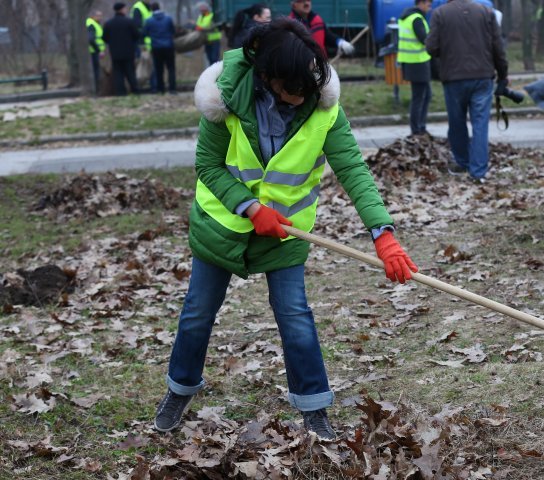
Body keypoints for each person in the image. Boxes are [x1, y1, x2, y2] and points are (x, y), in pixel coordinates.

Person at [152, 18, 418, 440]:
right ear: (267, 78)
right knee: (198, 314)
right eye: (292, 92)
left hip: (288, 233)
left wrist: (382, 233)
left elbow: (352, 169)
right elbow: (208, 165)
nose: (300, 100)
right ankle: (179, 389)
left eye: (307, 90)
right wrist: (251, 207)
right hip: (221, 225)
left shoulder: (322, 104)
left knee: (295, 316)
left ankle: (313, 407)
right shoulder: (222, 100)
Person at [425, 0, 508, 183]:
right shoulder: (486, 12)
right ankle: (478, 172)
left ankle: (462, 162)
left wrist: (447, 52)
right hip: (482, 76)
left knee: (457, 122)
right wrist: (503, 75)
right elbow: (498, 47)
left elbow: (431, 47)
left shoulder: (440, 14)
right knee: (480, 124)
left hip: (453, 77)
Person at [398, 0, 433, 136]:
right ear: (422, 3)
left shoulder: (407, 17)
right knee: (419, 97)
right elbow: (425, 39)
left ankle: (420, 127)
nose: (429, 9)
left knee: (426, 95)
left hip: (412, 62)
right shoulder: (416, 19)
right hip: (417, 63)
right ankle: (417, 129)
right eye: (429, 5)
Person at [289, 0, 355, 58]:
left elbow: (327, 36)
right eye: (302, 1)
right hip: (301, 67)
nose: (306, 3)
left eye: (308, 0)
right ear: (294, 4)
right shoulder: (290, 25)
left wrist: (340, 42)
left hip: (321, 64)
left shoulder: (317, 19)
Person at [103, 2, 141, 96]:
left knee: (118, 73)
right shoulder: (129, 22)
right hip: (128, 51)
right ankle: (135, 90)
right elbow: (136, 35)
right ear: (122, 9)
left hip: (115, 52)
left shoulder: (108, 23)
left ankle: (120, 92)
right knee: (130, 72)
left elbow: (105, 38)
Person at [143, 2, 176, 94]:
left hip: (156, 47)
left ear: (151, 9)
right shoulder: (168, 18)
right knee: (171, 68)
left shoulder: (149, 21)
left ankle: (161, 89)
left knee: (158, 69)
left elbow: (145, 33)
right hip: (169, 46)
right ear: (159, 8)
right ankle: (172, 89)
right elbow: (173, 31)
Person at [86, 10, 105, 94]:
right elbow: (91, 39)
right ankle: (96, 90)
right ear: (93, 16)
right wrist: (99, 50)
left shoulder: (93, 24)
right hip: (94, 52)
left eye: (101, 15)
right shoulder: (92, 25)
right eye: (98, 16)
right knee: (95, 71)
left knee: (96, 71)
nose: (100, 18)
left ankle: (97, 90)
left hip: (94, 51)